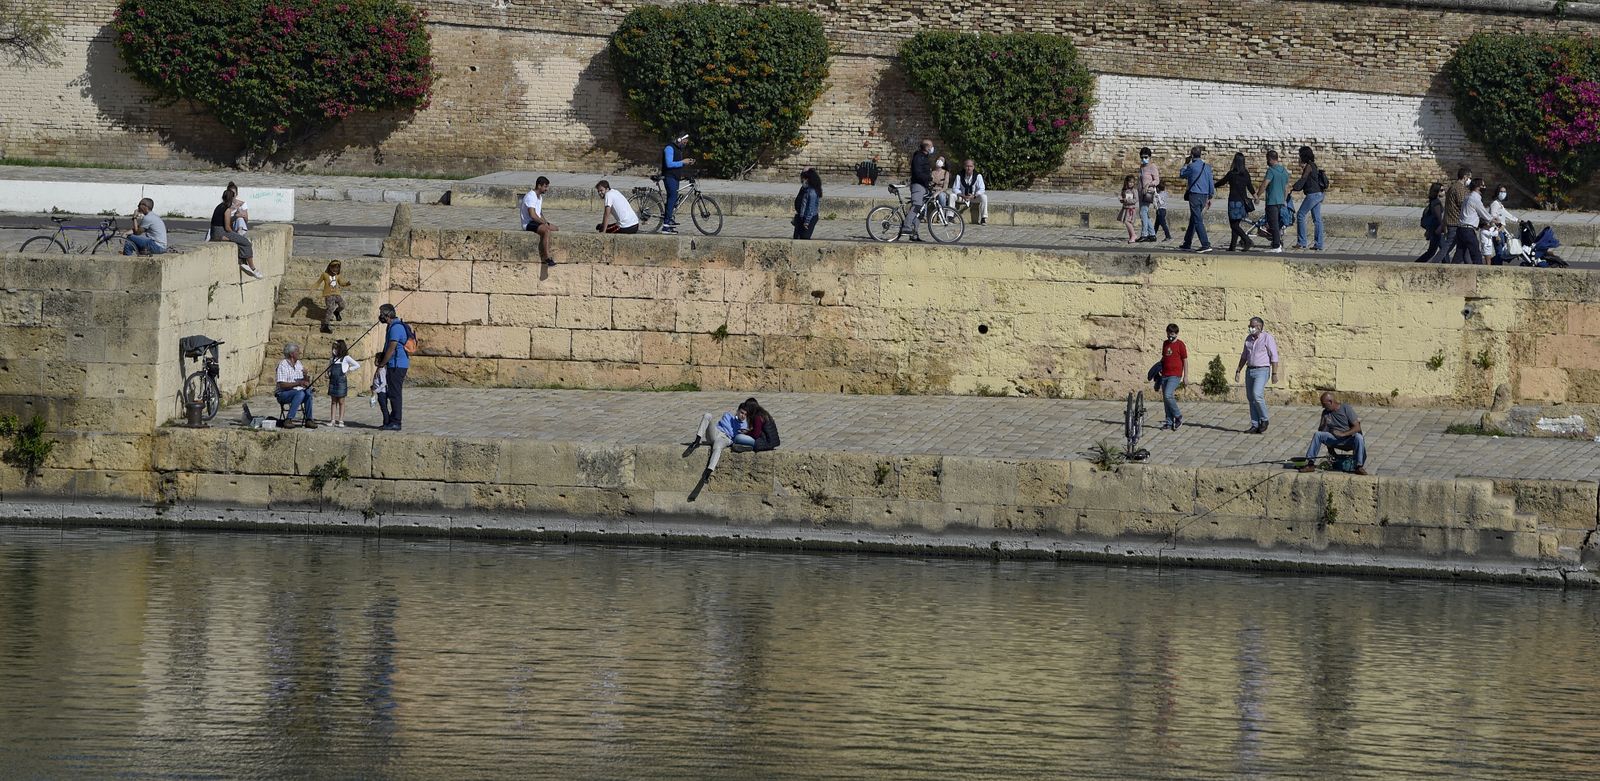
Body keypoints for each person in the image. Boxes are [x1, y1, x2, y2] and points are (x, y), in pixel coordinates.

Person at [1299, 392, 1367, 475]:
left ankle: (1359, 466)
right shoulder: (1325, 413)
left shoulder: (1346, 408)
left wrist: (1343, 434)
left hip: (1348, 439)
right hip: (1334, 439)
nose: (1322, 406)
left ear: (1330, 402)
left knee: (1359, 437)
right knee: (1318, 435)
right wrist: (1324, 425)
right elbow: (1322, 431)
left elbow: (1357, 427)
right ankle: (1310, 463)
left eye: (1324, 404)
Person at [1233, 317, 1280, 434]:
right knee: (1251, 398)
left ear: (1259, 327)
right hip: (1250, 370)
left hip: (1262, 370)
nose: (1250, 328)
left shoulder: (1267, 338)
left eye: (1252, 326)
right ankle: (1255, 424)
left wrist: (1274, 373)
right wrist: (1238, 370)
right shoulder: (1248, 339)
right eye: (1250, 326)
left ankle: (1264, 419)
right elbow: (1244, 356)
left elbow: (1274, 356)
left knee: (1257, 394)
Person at [212, 183, 262, 278]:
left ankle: (243, 261)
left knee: (239, 242)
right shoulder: (227, 210)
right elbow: (227, 228)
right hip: (220, 233)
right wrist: (235, 235)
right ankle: (252, 268)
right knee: (246, 242)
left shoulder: (219, 206)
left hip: (215, 232)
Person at [687, 403, 750, 475]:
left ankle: (709, 471)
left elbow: (739, 438)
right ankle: (697, 440)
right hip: (716, 433)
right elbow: (721, 425)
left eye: (745, 414)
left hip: (725, 438)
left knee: (717, 447)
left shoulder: (745, 425)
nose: (743, 416)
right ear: (738, 411)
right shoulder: (727, 415)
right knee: (708, 415)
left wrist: (743, 432)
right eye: (742, 413)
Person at [377, 304, 411, 431]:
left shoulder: (396, 328)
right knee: (392, 393)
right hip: (393, 364)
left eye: (381, 314)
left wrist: (382, 364)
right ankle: (392, 420)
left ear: (387, 315)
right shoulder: (392, 327)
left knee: (395, 394)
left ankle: (396, 421)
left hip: (397, 365)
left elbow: (391, 349)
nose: (380, 316)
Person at [1177, 146, 1214, 253]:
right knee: (1194, 219)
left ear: (1192, 155)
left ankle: (1205, 244)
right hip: (1204, 195)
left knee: (1197, 220)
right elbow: (1210, 182)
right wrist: (1210, 195)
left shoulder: (1191, 167)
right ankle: (1187, 243)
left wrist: (1185, 163)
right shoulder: (1207, 167)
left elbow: (1182, 174)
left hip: (1194, 195)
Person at [1219, 152, 1257, 251]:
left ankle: (1247, 240)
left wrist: (1211, 186)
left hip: (1233, 202)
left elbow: (1221, 182)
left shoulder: (1231, 174)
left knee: (1234, 225)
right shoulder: (1246, 174)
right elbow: (1250, 187)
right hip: (1242, 203)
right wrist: (1256, 197)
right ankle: (1232, 246)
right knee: (1236, 224)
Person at [1290, 146, 1326, 251]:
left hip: (1313, 195)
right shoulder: (1313, 165)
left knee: (1300, 215)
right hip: (1319, 194)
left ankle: (1302, 242)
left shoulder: (1308, 167)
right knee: (1317, 219)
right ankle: (1318, 244)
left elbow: (1303, 179)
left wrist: (1293, 188)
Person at [274, 342, 317, 429]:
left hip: (298, 392)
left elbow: (305, 382)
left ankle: (309, 420)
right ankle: (288, 419)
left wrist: (305, 376)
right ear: (292, 354)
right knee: (300, 393)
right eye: (297, 351)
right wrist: (298, 383)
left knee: (308, 393)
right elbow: (282, 384)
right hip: (283, 394)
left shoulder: (299, 364)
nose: (299, 353)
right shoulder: (283, 365)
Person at [900, 138, 935, 242]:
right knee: (917, 206)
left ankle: (914, 234)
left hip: (924, 186)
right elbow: (917, 173)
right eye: (931, 146)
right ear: (927, 147)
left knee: (922, 211)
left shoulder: (925, 157)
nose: (933, 148)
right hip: (918, 185)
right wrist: (929, 178)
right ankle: (906, 227)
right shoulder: (919, 157)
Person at [660, 133, 694, 234]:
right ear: (679, 139)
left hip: (675, 177)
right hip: (669, 176)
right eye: (684, 142)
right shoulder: (669, 148)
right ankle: (666, 226)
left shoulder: (678, 149)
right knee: (672, 196)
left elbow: (678, 162)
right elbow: (669, 164)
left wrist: (688, 162)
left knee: (674, 198)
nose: (685, 144)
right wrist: (683, 162)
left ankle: (669, 218)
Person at [1454, 178, 1493, 265]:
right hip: (1468, 230)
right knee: (1476, 255)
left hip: (1461, 228)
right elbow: (1485, 214)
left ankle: (1449, 273)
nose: (1484, 187)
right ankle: (1478, 275)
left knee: (1459, 255)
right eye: (1483, 185)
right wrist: (1494, 220)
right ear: (1478, 187)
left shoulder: (1468, 196)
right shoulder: (1475, 198)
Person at [520, 175, 557, 266]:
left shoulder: (539, 197)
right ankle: (547, 257)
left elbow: (540, 213)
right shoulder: (531, 196)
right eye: (545, 186)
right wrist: (544, 224)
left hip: (536, 222)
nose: (546, 189)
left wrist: (546, 222)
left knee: (555, 228)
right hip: (528, 223)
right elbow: (532, 215)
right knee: (546, 230)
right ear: (539, 186)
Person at [1437, 167, 1471, 264]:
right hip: (1455, 221)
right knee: (1448, 246)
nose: (1469, 180)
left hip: (1455, 221)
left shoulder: (1455, 187)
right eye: (1469, 178)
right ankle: (1433, 264)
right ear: (1465, 177)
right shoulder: (1459, 188)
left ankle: (1466, 266)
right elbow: (1462, 204)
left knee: (1464, 248)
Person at [1158, 323, 1188, 430]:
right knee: (1166, 400)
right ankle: (1169, 422)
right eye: (1169, 333)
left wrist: (1185, 376)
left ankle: (1178, 416)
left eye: (1173, 333)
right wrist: (1158, 368)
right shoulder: (1165, 343)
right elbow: (1164, 357)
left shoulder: (1180, 345)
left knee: (1168, 395)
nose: (1170, 335)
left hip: (1175, 375)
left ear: (1176, 334)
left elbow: (1185, 360)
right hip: (1165, 374)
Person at [1258, 150, 1289, 253]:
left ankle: (1276, 245)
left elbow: (1264, 184)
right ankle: (1277, 243)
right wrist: (1284, 200)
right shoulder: (1284, 171)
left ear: (1270, 159)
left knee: (1273, 224)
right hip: (1280, 201)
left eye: (1267, 159)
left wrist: (1257, 196)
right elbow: (1286, 187)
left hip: (1272, 201)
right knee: (1276, 224)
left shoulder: (1271, 171)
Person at [324, 340, 359, 428]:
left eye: (336, 348)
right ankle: (332, 420)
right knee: (333, 401)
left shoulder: (346, 358)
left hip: (341, 381)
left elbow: (357, 365)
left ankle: (341, 420)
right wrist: (327, 373)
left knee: (341, 401)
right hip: (333, 381)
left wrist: (348, 370)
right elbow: (329, 368)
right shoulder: (332, 359)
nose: (334, 350)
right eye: (333, 348)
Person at [1486, 184, 1517, 262]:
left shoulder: (1500, 204)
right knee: (1499, 253)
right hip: (1497, 231)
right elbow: (1492, 219)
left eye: (1504, 191)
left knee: (1501, 253)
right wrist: (1496, 233)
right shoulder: (1494, 204)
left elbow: (1507, 214)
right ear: (1497, 192)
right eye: (1501, 191)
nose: (1503, 193)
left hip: (1502, 231)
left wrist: (1516, 220)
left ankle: (1491, 264)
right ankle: (1491, 265)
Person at [1416, 182, 1445, 263]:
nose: (1444, 192)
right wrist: (1442, 227)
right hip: (1436, 230)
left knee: (1432, 252)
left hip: (1434, 229)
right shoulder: (1436, 203)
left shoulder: (1433, 201)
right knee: (1443, 250)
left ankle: (1417, 264)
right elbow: (1438, 218)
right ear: (1437, 191)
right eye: (1442, 190)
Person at [954, 159, 988, 225]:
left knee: (984, 197)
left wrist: (974, 195)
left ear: (973, 167)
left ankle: (983, 218)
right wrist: (962, 195)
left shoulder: (978, 176)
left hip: (973, 197)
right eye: (967, 166)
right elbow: (955, 188)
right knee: (952, 196)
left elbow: (982, 189)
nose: (968, 168)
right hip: (962, 197)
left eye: (970, 166)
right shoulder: (959, 175)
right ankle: (950, 217)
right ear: (964, 167)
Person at [1137, 147, 1160, 241]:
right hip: (1141, 192)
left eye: (1145, 157)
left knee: (1142, 212)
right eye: (1142, 157)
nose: (1143, 159)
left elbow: (1157, 180)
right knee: (1145, 213)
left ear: (1150, 157)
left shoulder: (1152, 167)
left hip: (1148, 193)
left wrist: (1148, 185)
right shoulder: (1142, 167)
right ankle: (1152, 234)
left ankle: (1144, 234)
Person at [793, 168, 821, 240]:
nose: (802, 180)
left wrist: (806, 222)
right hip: (801, 216)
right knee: (797, 238)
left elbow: (810, 208)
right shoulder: (804, 189)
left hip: (808, 219)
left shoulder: (812, 192)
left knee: (804, 238)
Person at [317, 260, 345, 334]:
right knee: (330, 308)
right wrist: (314, 287)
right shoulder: (324, 275)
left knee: (342, 305)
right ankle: (325, 325)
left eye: (337, 268)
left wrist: (346, 284)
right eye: (334, 268)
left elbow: (341, 283)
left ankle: (337, 312)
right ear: (330, 267)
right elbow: (318, 282)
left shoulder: (337, 276)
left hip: (336, 294)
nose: (335, 270)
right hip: (328, 295)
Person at [370, 350, 391, 428]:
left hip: (382, 392)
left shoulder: (381, 370)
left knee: (384, 408)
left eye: (376, 359)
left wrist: (376, 390)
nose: (374, 361)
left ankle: (386, 423)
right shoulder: (379, 369)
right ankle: (385, 422)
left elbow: (383, 383)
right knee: (383, 408)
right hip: (379, 391)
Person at [1119, 175, 1139, 243]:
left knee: (1127, 222)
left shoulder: (1134, 190)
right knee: (1127, 222)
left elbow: (1136, 199)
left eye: (1132, 182)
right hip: (1125, 208)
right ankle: (1131, 235)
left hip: (1131, 209)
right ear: (1126, 182)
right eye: (1129, 182)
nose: (1131, 184)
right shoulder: (1124, 190)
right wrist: (1122, 200)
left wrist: (1127, 200)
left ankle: (1133, 235)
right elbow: (1123, 198)